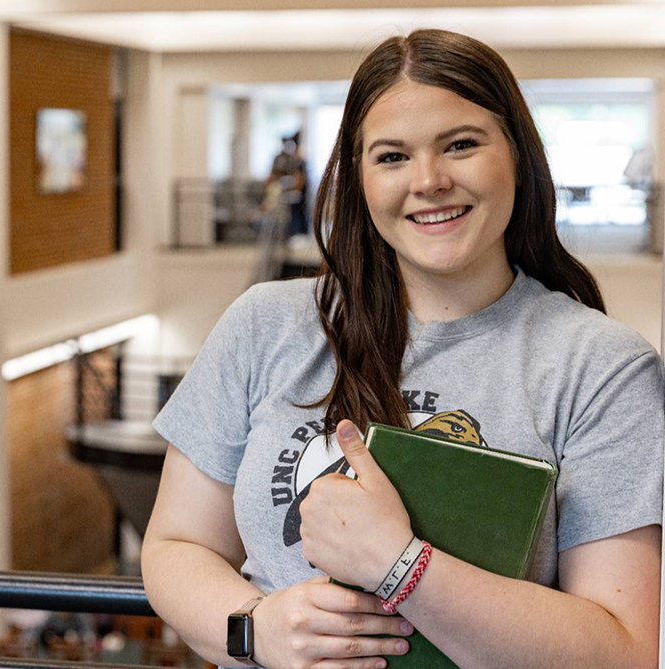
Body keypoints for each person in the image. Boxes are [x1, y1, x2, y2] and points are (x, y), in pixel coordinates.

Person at [142, 28, 663, 669]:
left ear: (518, 155)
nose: (429, 180)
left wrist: (400, 566)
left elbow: (622, 649)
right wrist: (255, 629)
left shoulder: (602, 368)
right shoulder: (264, 325)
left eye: (461, 145)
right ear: (359, 178)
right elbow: (177, 545)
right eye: (392, 156)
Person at [267, 132, 309, 237]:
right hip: (284, 192)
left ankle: (299, 233)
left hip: (297, 193)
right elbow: (274, 175)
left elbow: (301, 179)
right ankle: (293, 233)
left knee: (298, 210)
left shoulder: (298, 160)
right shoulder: (282, 159)